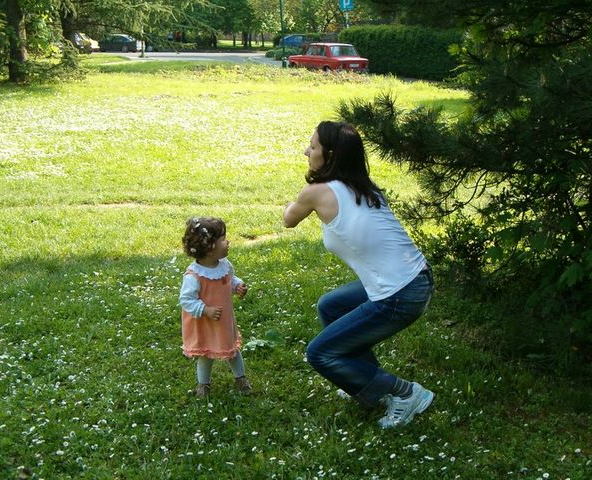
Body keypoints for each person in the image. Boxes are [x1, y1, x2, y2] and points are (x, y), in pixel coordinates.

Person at [282, 121, 435, 428]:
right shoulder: (363, 187)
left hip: (400, 293)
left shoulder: (316, 193)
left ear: (330, 155)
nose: (306, 152)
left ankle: (405, 393)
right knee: (331, 306)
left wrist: (295, 202)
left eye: (312, 147)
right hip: (416, 278)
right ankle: (362, 380)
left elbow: (288, 219)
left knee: (320, 353)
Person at [179, 216, 252, 397]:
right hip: (206, 323)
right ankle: (203, 384)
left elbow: (229, 280)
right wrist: (205, 310)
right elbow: (186, 300)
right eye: (223, 240)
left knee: (232, 350)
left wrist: (237, 286)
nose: (228, 242)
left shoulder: (224, 266)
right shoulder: (194, 276)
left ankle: (241, 378)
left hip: (223, 321)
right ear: (211, 248)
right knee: (206, 354)